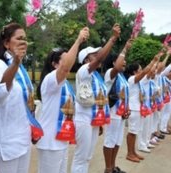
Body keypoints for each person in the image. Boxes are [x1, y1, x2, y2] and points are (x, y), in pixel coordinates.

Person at [0, 23, 42, 173]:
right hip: (7, 143)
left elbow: (26, 103)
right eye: (19, 39)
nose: (24, 42)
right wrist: (16, 62)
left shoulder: (22, 69)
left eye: (25, 39)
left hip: (23, 139)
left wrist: (33, 129)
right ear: (6, 44)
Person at [36, 27, 89, 173]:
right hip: (50, 142)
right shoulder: (50, 79)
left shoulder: (65, 83)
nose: (69, 62)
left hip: (62, 139)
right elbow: (65, 68)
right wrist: (78, 41)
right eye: (65, 59)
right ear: (54, 64)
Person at [71, 23, 121, 173]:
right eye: (94, 55)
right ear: (86, 60)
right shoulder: (83, 70)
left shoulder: (96, 76)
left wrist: (98, 123)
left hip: (92, 120)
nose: (99, 56)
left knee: (88, 156)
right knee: (81, 156)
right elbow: (99, 59)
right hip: (83, 119)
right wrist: (113, 38)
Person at [102, 39, 133, 173]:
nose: (124, 62)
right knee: (110, 139)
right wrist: (124, 49)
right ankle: (108, 168)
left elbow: (125, 95)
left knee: (117, 140)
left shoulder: (122, 77)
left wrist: (127, 109)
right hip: (113, 113)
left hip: (121, 114)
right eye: (121, 60)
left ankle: (113, 166)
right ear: (114, 63)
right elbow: (117, 68)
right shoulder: (111, 74)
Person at [125, 54, 159, 162]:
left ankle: (133, 152)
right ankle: (129, 153)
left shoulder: (139, 82)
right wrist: (153, 61)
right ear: (135, 72)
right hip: (133, 109)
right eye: (139, 69)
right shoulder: (132, 79)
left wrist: (155, 63)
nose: (141, 71)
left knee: (135, 132)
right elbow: (145, 72)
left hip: (138, 109)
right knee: (132, 132)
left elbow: (147, 73)